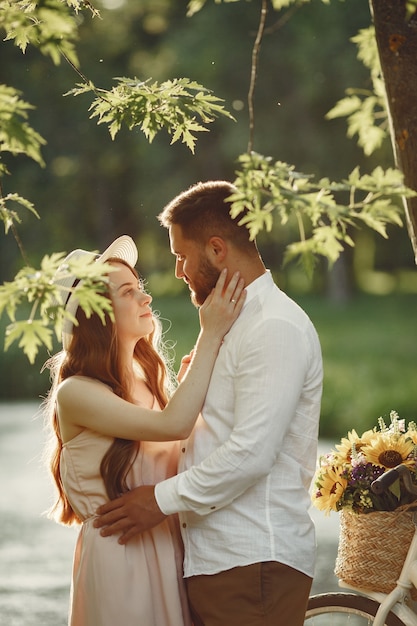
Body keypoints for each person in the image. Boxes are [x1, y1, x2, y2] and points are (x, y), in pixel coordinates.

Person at [95, 183, 324, 626]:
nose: (178, 271)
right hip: (215, 561)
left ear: (217, 249)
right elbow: (211, 434)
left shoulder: (274, 327)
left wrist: (157, 501)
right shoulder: (231, 325)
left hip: (253, 562)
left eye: (182, 255)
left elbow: (251, 454)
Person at [42, 234, 245, 626]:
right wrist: (211, 333)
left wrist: (190, 385)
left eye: (141, 289)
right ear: (96, 312)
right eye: (129, 292)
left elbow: (180, 446)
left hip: (167, 546)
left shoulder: (145, 378)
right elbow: (173, 426)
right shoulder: (76, 392)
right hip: (121, 558)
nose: (145, 299)